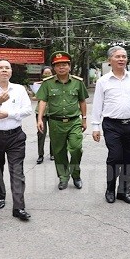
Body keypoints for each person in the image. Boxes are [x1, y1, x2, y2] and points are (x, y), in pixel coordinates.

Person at [91, 46, 130, 204]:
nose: (121, 59)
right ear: (110, 60)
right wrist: (95, 126)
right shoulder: (102, 81)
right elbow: (97, 105)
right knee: (115, 156)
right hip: (112, 125)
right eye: (117, 56)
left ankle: (124, 191)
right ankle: (110, 189)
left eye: (124, 56)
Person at [0, 59, 34, 221]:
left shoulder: (19, 89)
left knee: (17, 171)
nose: (4, 70)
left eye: (7, 68)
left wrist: (9, 114)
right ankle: (0, 195)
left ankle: (19, 207)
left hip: (15, 135)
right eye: (0, 68)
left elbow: (27, 110)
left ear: (11, 71)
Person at [36, 51, 89, 190]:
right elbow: (42, 101)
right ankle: (63, 177)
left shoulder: (78, 83)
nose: (61, 67)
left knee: (76, 148)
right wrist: (40, 119)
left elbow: (82, 101)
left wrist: (84, 119)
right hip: (55, 123)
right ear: (54, 68)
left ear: (69, 66)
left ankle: (76, 175)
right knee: (59, 152)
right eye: (58, 65)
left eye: (64, 64)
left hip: (74, 122)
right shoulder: (47, 84)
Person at [32, 66, 54, 164]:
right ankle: (40, 155)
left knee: (54, 134)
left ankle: (53, 154)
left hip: (53, 111)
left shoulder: (56, 84)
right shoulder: (37, 85)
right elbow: (34, 97)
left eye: (49, 73)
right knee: (41, 134)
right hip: (41, 112)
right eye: (45, 73)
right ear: (42, 74)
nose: (47, 75)